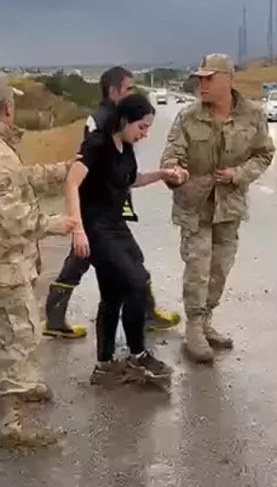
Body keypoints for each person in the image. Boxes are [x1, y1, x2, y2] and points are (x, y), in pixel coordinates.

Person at [44, 66, 180, 338]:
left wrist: (159, 175)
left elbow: (127, 174)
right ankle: (56, 317)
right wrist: (80, 224)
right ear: (114, 90)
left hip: (111, 205)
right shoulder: (101, 121)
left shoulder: (121, 122)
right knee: (83, 259)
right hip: (95, 209)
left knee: (128, 257)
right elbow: (84, 170)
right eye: (129, 89)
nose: (133, 93)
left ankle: (144, 311)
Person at [64, 93, 188, 384]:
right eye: (142, 127)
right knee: (136, 281)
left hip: (116, 225)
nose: (144, 134)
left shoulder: (126, 147)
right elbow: (71, 181)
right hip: (95, 228)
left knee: (113, 293)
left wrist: (162, 173)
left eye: (148, 129)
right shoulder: (97, 145)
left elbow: (129, 180)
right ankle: (137, 355)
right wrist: (77, 229)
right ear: (124, 120)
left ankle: (104, 366)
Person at [160, 54, 275, 363]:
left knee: (220, 269)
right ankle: (194, 328)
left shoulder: (253, 115)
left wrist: (239, 174)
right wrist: (174, 172)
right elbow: (172, 155)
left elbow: (264, 154)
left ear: (228, 79)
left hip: (229, 206)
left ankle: (206, 320)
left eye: (209, 79)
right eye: (199, 79)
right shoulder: (188, 117)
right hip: (194, 206)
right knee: (198, 268)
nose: (202, 84)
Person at [0, 73, 74, 446]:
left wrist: (62, 170)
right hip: (6, 267)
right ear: (7, 109)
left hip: (10, 263)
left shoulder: (5, 150)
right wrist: (52, 224)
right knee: (19, 337)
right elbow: (10, 218)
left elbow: (22, 179)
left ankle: (16, 393)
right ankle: (8, 426)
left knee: (9, 337)